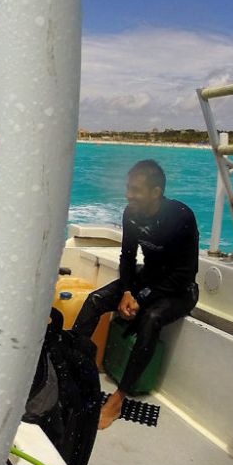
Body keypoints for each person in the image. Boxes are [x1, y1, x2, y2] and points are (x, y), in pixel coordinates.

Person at [72, 159, 199, 429]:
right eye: (128, 188)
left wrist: (139, 298)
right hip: (146, 278)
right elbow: (127, 258)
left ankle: (119, 397)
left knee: (151, 318)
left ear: (156, 192)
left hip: (179, 290)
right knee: (95, 300)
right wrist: (129, 290)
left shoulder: (180, 216)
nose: (129, 195)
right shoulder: (131, 213)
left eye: (136, 190)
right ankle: (71, 366)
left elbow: (184, 275)